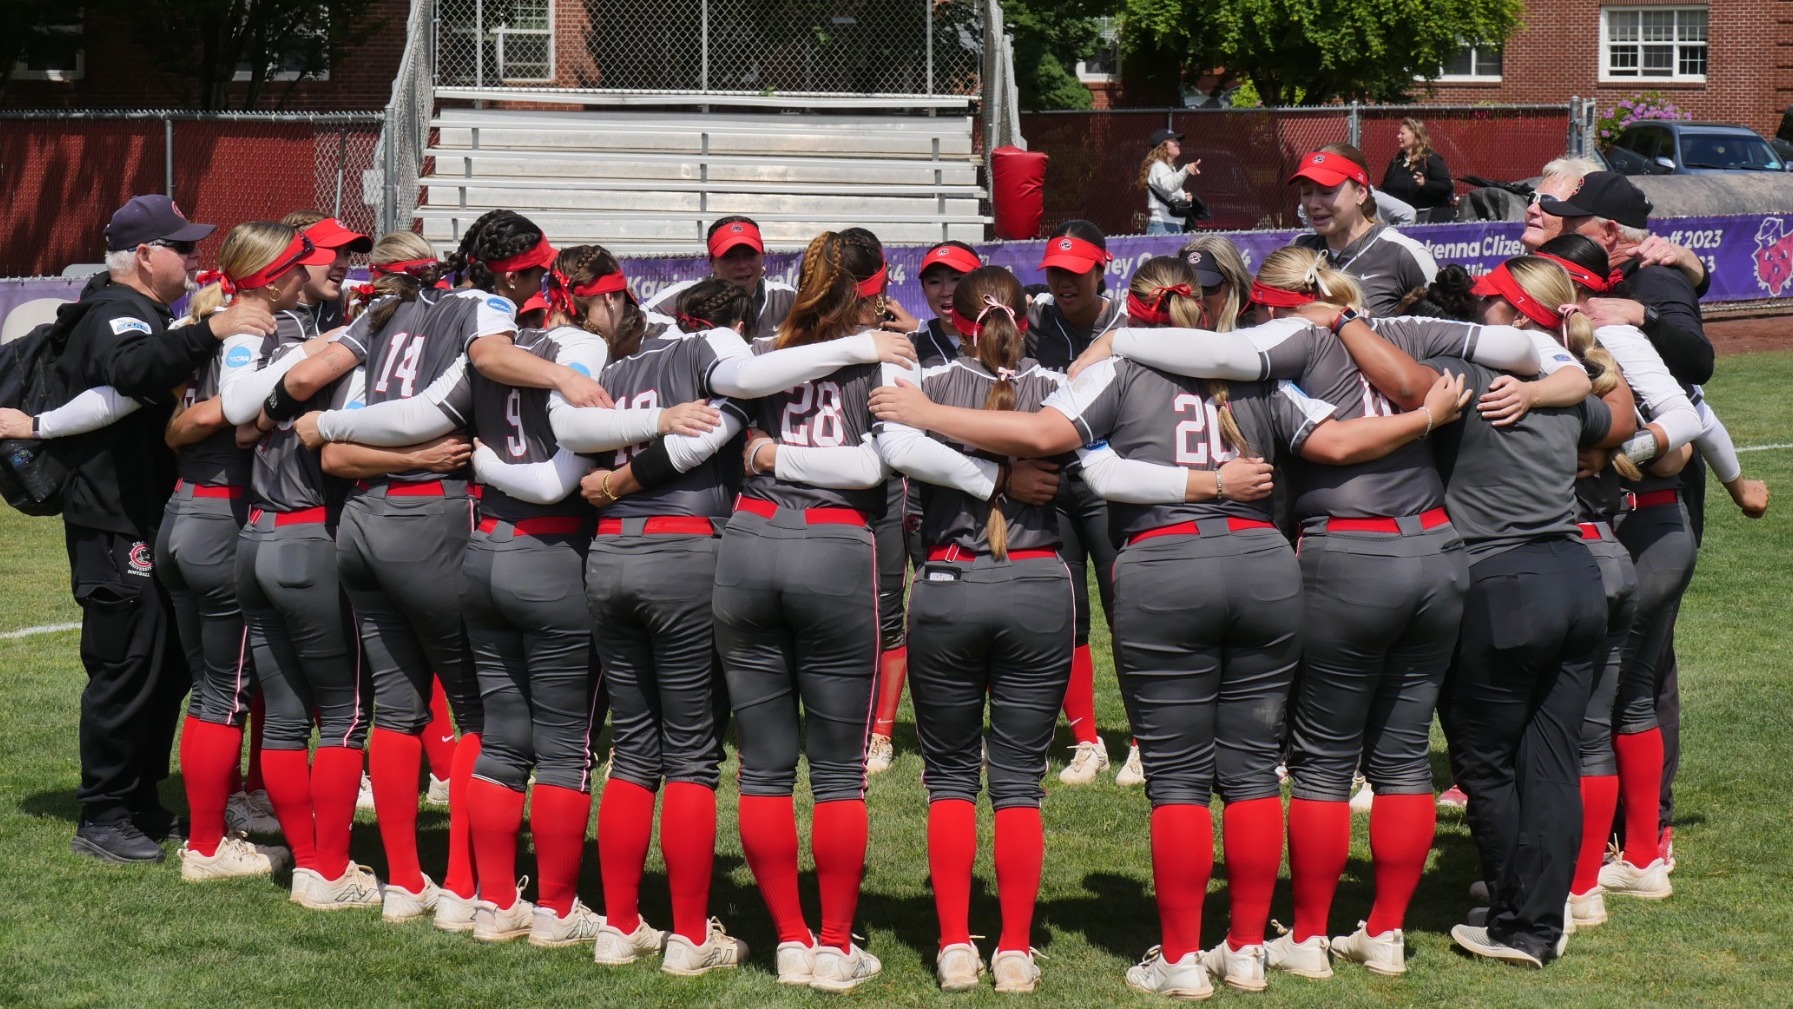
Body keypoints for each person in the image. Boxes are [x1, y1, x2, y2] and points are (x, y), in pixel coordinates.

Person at [1070, 245, 1587, 979]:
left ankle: (1306, 936)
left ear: (1281, 301)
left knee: (1321, 759)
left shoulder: (1292, 336)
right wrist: (1552, 383)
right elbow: (1530, 344)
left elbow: (1229, 365)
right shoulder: (1414, 330)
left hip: (1348, 557)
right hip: (1437, 553)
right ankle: (1383, 931)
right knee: (1404, 752)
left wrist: (1118, 337)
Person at [0, 196, 274, 864]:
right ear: (144, 256)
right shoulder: (117, 311)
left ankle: (141, 799)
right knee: (126, 666)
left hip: (139, 516)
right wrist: (212, 331)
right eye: (180, 248)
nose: (193, 257)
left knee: (164, 666)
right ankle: (104, 812)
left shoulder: (143, 311)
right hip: (112, 523)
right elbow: (132, 372)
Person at [707, 229, 920, 992]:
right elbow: (878, 463)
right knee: (836, 771)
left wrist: (767, 457)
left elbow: (735, 413)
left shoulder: (760, 346)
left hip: (749, 542)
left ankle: (789, 940)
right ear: (876, 282)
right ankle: (830, 943)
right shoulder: (890, 348)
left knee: (761, 768)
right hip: (833, 547)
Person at [1406, 257, 1632, 967]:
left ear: (1510, 315)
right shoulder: (1559, 392)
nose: (1476, 311)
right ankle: (1541, 905)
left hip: (1501, 585)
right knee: (1551, 758)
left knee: (1486, 760)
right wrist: (1562, 377)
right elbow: (1619, 414)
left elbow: (1396, 378)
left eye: (1486, 303)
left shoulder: (1467, 379)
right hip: (1574, 577)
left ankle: (1523, 921)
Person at [873, 266, 1074, 992]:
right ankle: (1014, 948)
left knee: (950, 778)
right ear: (1024, 316)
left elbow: (892, 452)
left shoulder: (921, 385)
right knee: (1019, 781)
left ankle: (957, 944)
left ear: (953, 319)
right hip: (1037, 581)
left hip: (950, 584)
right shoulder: (1057, 390)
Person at [575, 277, 757, 975]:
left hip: (610, 552)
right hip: (683, 549)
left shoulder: (615, 368)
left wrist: (613, 486)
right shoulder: (717, 356)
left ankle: (620, 924)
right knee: (689, 754)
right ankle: (688, 934)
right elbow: (707, 433)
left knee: (635, 748)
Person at [1532, 170, 1716, 857]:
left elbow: (1689, 400)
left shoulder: (1627, 306)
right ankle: (1638, 852)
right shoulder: (1607, 307)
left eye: (1569, 217)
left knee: (1605, 699)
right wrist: (1736, 481)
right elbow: (1701, 415)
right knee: (1629, 693)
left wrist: (1616, 450)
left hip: (1643, 520)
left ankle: (1593, 866)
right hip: (1653, 522)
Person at [215, 221, 384, 911]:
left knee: (283, 715)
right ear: (286, 266)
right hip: (308, 534)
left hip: (255, 533)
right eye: (325, 254)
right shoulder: (295, 335)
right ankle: (328, 868)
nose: (341, 263)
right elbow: (252, 410)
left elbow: (241, 419)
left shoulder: (243, 327)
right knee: (342, 715)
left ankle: (310, 860)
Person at [865, 240, 983, 775]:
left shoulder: (998, 341)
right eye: (935, 280)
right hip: (903, 491)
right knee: (889, 612)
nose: (945, 290)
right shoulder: (909, 342)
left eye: (956, 280)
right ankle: (883, 734)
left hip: (972, 493)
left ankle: (968, 730)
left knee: (961, 613)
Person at [1029, 220, 1126, 785]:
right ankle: (1087, 741)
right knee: (1066, 617)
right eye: (1056, 273)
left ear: (1102, 267)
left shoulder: (1127, 320)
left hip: (1111, 481)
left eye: (1076, 272)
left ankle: (1143, 740)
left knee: (1128, 611)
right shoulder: (1034, 320)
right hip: (1052, 484)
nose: (1064, 283)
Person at [1288, 147, 1438, 316]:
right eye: (1306, 192)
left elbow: (1443, 331)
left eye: (1326, 192)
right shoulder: (1296, 250)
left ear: (1360, 193)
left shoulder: (1404, 254)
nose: (1313, 204)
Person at [641, 215, 797, 341]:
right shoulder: (686, 296)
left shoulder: (787, 298)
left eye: (750, 255)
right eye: (730, 257)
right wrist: (683, 332)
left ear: (763, 256)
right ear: (712, 263)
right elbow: (635, 320)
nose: (742, 265)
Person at [278, 211, 372, 333]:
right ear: (297, 254)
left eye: (347, 254)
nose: (344, 264)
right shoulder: (263, 312)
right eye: (331, 252)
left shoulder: (342, 301)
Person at [1380, 119, 1454, 223]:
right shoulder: (1397, 161)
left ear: (1415, 136)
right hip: (1401, 219)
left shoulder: (1430, 158)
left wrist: (1425, 184)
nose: (1398, 137)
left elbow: (1446, 186)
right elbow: (1385, 188)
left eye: (1402, 134)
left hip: (1427, 219)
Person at [1139, 128, 1201, 236]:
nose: (1178, 143)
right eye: (1173, 141)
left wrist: (1184, 197)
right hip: (1163, 227)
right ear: (1163, 146)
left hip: (1171, 226)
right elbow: (1170, 186)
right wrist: (1186, 169)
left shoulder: (1168, 167)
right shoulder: (1159, 166)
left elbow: (1170, 192)